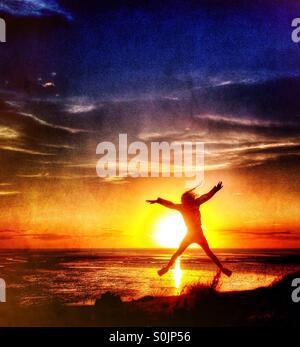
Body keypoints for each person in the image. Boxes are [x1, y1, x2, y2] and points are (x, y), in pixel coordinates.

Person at [146, 182, 232, 277]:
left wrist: (214, 190)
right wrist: (159, 201)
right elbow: (171, 204)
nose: (183, 202)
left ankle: (222, 268)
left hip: (197, 234)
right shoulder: (183, 207)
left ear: (189, 199)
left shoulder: (195, 203)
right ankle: (167, 268)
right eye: (182, 200)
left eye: (184, 200)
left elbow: (206, 196)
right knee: (179, 252)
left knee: (207, 252)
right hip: (191, 234)